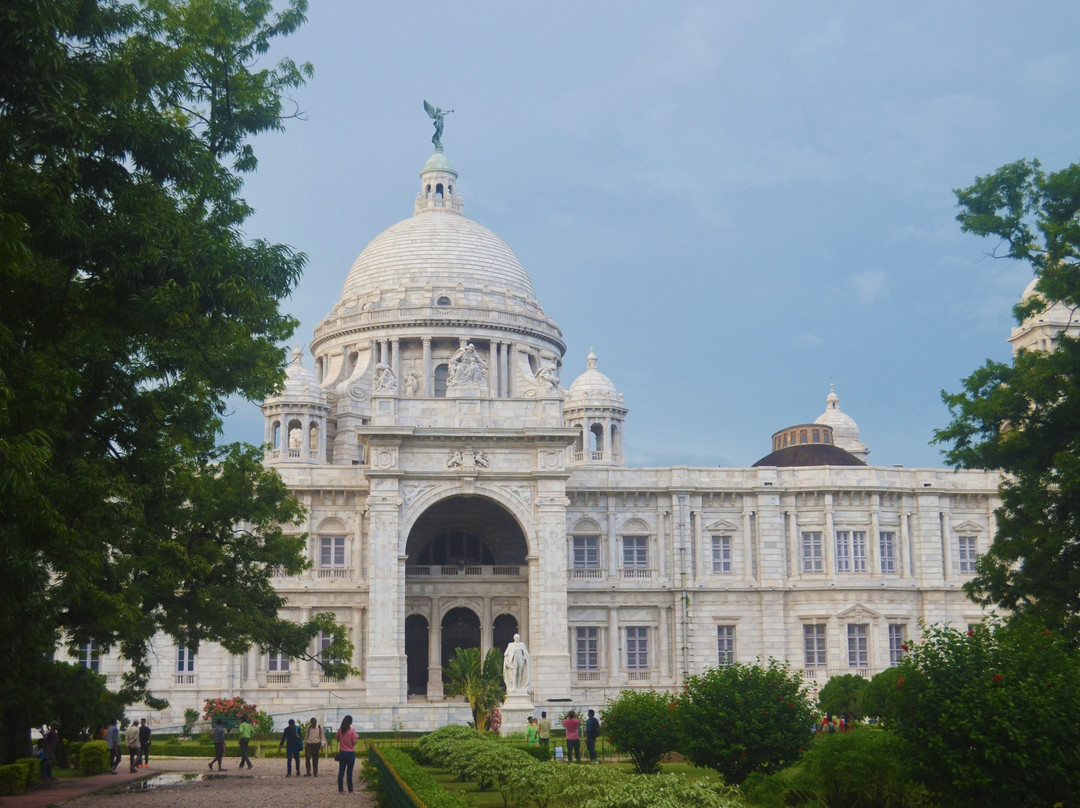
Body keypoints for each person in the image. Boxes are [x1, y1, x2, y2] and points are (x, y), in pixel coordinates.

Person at [336, 714, 357, 794]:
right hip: (350, 753)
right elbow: (354, 742)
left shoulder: (340, 730)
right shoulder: (352, 731)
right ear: (350, 722)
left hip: (342, 752)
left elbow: (337, 739)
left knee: (341, 772)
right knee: (349, 772)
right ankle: (350, 790)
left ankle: (340, 789)